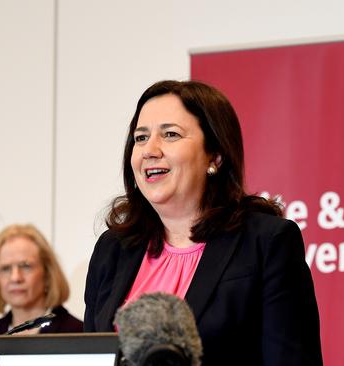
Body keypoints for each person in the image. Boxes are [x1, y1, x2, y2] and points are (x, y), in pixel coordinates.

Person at [84, 80, 322, 365]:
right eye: (140, 137)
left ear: (215, 156)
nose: (150, 149)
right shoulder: (112, 250)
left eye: (170, 134)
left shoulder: (267, 243)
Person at [0, 224, 82, 335]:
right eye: (5, 269)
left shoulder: (78, 333)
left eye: (26, 266)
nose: (15, 278)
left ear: (48, 273)